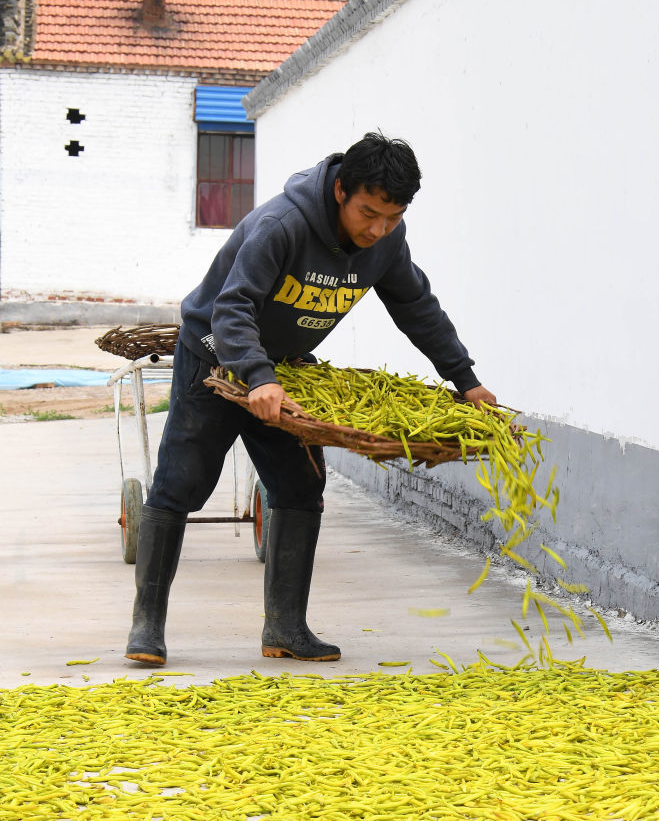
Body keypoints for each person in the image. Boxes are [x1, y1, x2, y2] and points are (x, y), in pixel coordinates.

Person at [126, 131, 496, 667]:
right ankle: (146, 628)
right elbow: (233, 308)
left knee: (300, 487)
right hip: (214, 357)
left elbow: (416, 306)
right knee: (180, 483)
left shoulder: (386, 240)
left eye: (392, 217)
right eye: (369, 213)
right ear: (341, 190)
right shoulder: (283, 225)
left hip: (283, 373)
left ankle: (286, 629)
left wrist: (465, 380)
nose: (378, 229)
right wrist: (257, 377)